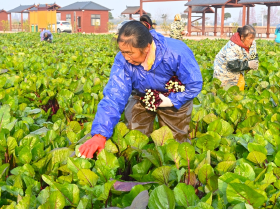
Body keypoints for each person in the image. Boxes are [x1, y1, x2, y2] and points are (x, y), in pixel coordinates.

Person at [78, 21, 203, 158]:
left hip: (174, 95)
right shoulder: (123, 60)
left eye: (130, 53)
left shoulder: (176, 52)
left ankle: (177, 169)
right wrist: (100, 134)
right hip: (142, 94)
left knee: (175, 141)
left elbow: (194, 84)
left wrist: (171, 100)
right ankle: (139, 163)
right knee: (134, 135)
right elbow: (114, 95)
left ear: (147, 47)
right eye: (123, 52)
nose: (126, 57)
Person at [213, 25, 259, 89]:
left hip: (239, 68)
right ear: (242, 37)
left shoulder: (252, 43)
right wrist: (248, 65)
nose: (251, 41)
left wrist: (254, 61)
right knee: (224, 89)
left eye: (253, 38)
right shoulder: (232, 46)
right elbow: (232, 65)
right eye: (249, 38)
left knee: (241, 85)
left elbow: (253, 54)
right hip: (223, 69)